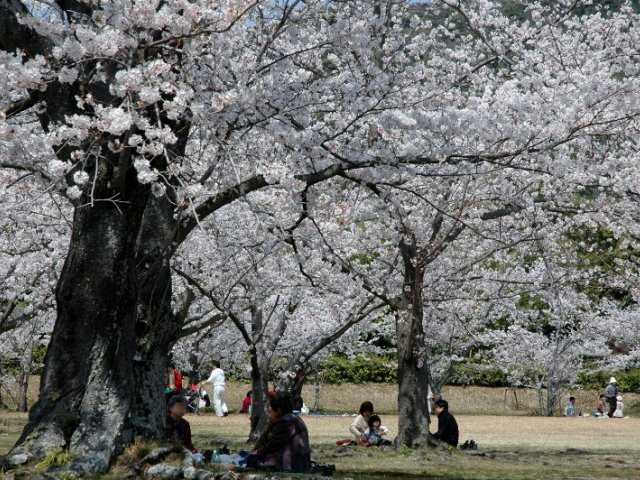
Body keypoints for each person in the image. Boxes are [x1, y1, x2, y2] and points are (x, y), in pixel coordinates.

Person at [249, 392, 311, 472]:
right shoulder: (294, 418)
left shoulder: (285, 423)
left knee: (252, 460)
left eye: (270, 410)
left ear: (278, 410)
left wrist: (256, 453)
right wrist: (270, 425)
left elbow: (272, 446)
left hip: (292, 465)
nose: (269, 412)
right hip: (301, 463)